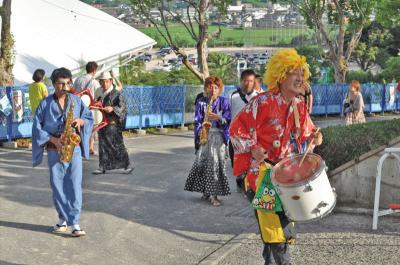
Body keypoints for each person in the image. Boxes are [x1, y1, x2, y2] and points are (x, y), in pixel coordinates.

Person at [229, 48, 323, 265]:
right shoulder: (262, 102)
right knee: (276, 233)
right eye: (294, 73)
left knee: (282, 230)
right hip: (262, 176)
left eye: (302, 73)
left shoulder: (299, 105)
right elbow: (235, 130)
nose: (300, 78)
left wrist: (316, 137)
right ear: (280, 76)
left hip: (287, 177)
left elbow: (308, 133)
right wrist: (252, 147)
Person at [32, 67, 93, 237]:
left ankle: (75, 222)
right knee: (57, 186)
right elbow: (36, 129)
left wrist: (81, 120)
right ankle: (62, 219)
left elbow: (88, 118)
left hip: (72, 148)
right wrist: (53, 140)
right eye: (61, 83)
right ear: (53, 84)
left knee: (74, 185)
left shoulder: (76, 100)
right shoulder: (45, 104)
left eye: (67, 83)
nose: (65, 86)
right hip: (54, 149)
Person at [184, 76, 231, 207]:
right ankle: (206, 191)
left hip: (219, 138)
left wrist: (219, 118)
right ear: (206, 88)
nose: (213, 90)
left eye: (216, 87)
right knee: (204, 164)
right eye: (210, 87)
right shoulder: (201, 102)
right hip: (205, 137)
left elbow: (229, 119)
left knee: (217, 165)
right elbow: (197, 120)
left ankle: (214, 195)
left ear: (219, 89)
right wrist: (199, 131)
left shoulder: (224, 102)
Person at [92, 71, 133, 174]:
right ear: (100, 82)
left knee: (118, 145)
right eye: (102, 82)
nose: (104, 84)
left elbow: (123, 107)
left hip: (112, 123)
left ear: (110, 81)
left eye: (107, 81)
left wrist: (112, 108)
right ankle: (102, 167)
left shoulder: (116, 93)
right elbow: (94, 102)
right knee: (102, 146)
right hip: (101, 122)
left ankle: (127, 165)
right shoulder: (98, 91)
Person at [229, 69, 260, 193]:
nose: (248, 83)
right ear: (241, 81)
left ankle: (247, 184)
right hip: (235, 136)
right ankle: (240, 180)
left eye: (251, 81)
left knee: (250, 160)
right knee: (235, 160)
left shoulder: (258, 95)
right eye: (246, 81)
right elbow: (227, 113)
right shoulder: (232, 95)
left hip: (251, 136)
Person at [73, 61, 101, 155]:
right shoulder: (94, 82)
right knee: (90, 127)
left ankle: (79, 145)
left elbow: (74, 92)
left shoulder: (78, 79)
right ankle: (90, 148)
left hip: (78, 107)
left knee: (78, 127)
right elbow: (98, 96)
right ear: (94, 70)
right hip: (90, 108)